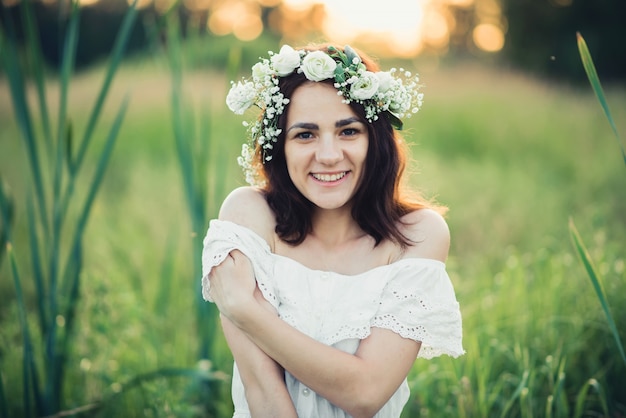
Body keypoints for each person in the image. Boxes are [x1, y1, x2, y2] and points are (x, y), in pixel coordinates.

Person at [201, 43, 464, 418]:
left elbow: (365, 392)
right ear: (281, 146)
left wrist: (245, 310)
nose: (327, 155)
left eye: (348, 131)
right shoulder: (248, 216)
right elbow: (260, 389)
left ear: (375, 141)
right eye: (305, 135)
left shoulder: (417, 235)